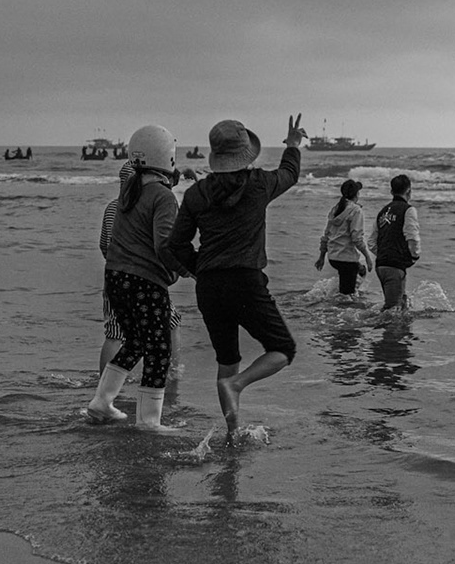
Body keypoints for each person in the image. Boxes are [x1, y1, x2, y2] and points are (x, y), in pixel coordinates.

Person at [161, 114, 306, 433]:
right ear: (245, 154)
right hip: (246, 282)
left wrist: (201, 270)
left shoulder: (197, 194)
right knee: (283, 349)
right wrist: (293, 144)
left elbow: (176, 244)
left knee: (227, 360)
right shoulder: (260, 184)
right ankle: (238, 385)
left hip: (210, 288)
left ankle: (233, 430)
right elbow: (289, 174)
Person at [87, 125, 188, 431]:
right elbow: (164, 244)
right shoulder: (163, 196)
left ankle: (101, 402)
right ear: (168, 158)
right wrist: (185, 269)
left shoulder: (127, 195)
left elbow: (113, 241)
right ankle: (149, 422)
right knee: (158, 350)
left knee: (134, 342)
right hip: (145, 282)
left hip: (115, 278)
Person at [96, 162, 134, 375]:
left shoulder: (112, 207)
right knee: (170, 320)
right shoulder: (142, 207)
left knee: (114, 333)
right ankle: (172, 373)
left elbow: (103, 244)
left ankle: (104, 385)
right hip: (141, 276)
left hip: (112, 276)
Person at [371, 174, 421, 313]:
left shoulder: (382, 211)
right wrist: (414, 256)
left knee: (401, 305)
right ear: (409, 191)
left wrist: (384, 254)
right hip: (395, 266)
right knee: (392, 311)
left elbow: (371, 242)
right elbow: (412, 237)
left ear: (392, 192)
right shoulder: (408, 210)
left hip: (381, 265)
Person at [315, 179, 373, 296]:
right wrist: (367, 257)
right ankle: (342, 306)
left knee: (360, 271)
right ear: (357, 194)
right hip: (346, 259)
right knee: (347, 296)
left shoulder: (335, 209)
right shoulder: (356, 210)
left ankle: (341, 294)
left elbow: (326, 235)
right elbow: (357, 238)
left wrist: (322, 257)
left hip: (333, 258)